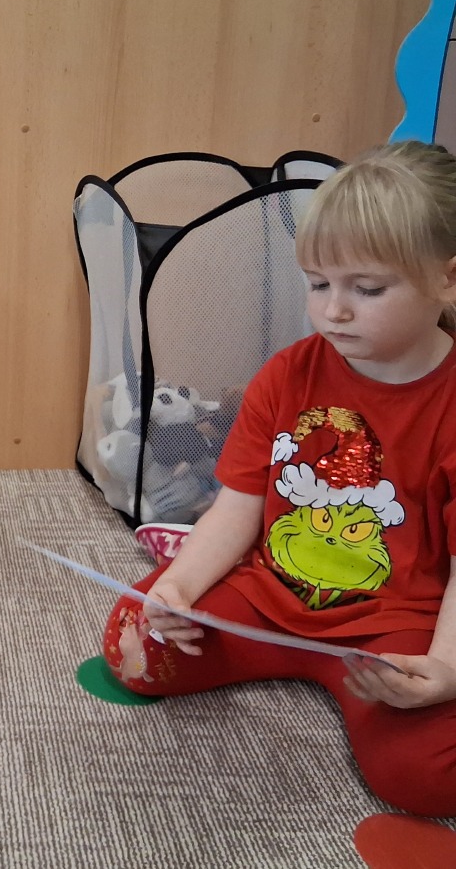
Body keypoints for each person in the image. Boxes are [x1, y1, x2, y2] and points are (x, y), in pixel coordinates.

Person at [102, 141, 456, 818]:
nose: (334, 311)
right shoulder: (287, 373)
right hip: (270, 596)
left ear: (448, 280)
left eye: (367, 289)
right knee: (135, 639)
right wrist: (180, 588)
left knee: (421, 777)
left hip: (392, 627)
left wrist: (443, 670)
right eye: (318, 285)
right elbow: (237, 509)